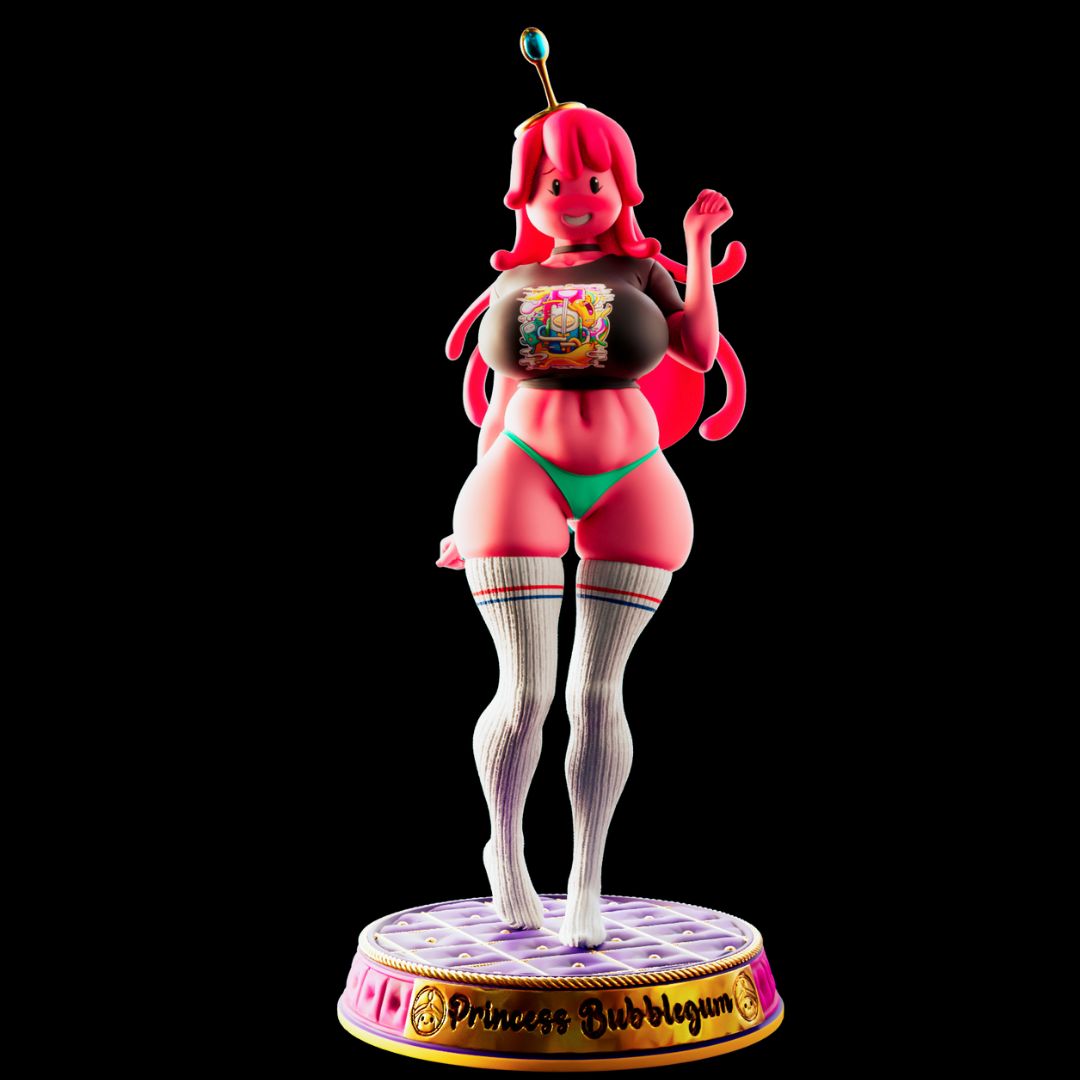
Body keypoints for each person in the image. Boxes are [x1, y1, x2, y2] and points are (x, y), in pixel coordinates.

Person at [436, 33, 746, 949]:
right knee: (526, 689)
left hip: (631, 475)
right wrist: (467, 506)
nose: (574, 197)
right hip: (521, 472)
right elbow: (500, 402)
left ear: (622, 186)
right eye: (553, 183)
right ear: (525, 195)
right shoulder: (516, 281)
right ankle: (503, 845)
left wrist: (696, 248)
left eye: (593, 180)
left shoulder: (640, 272)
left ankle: (586, 876)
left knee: (598, 691)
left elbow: (696, 349)